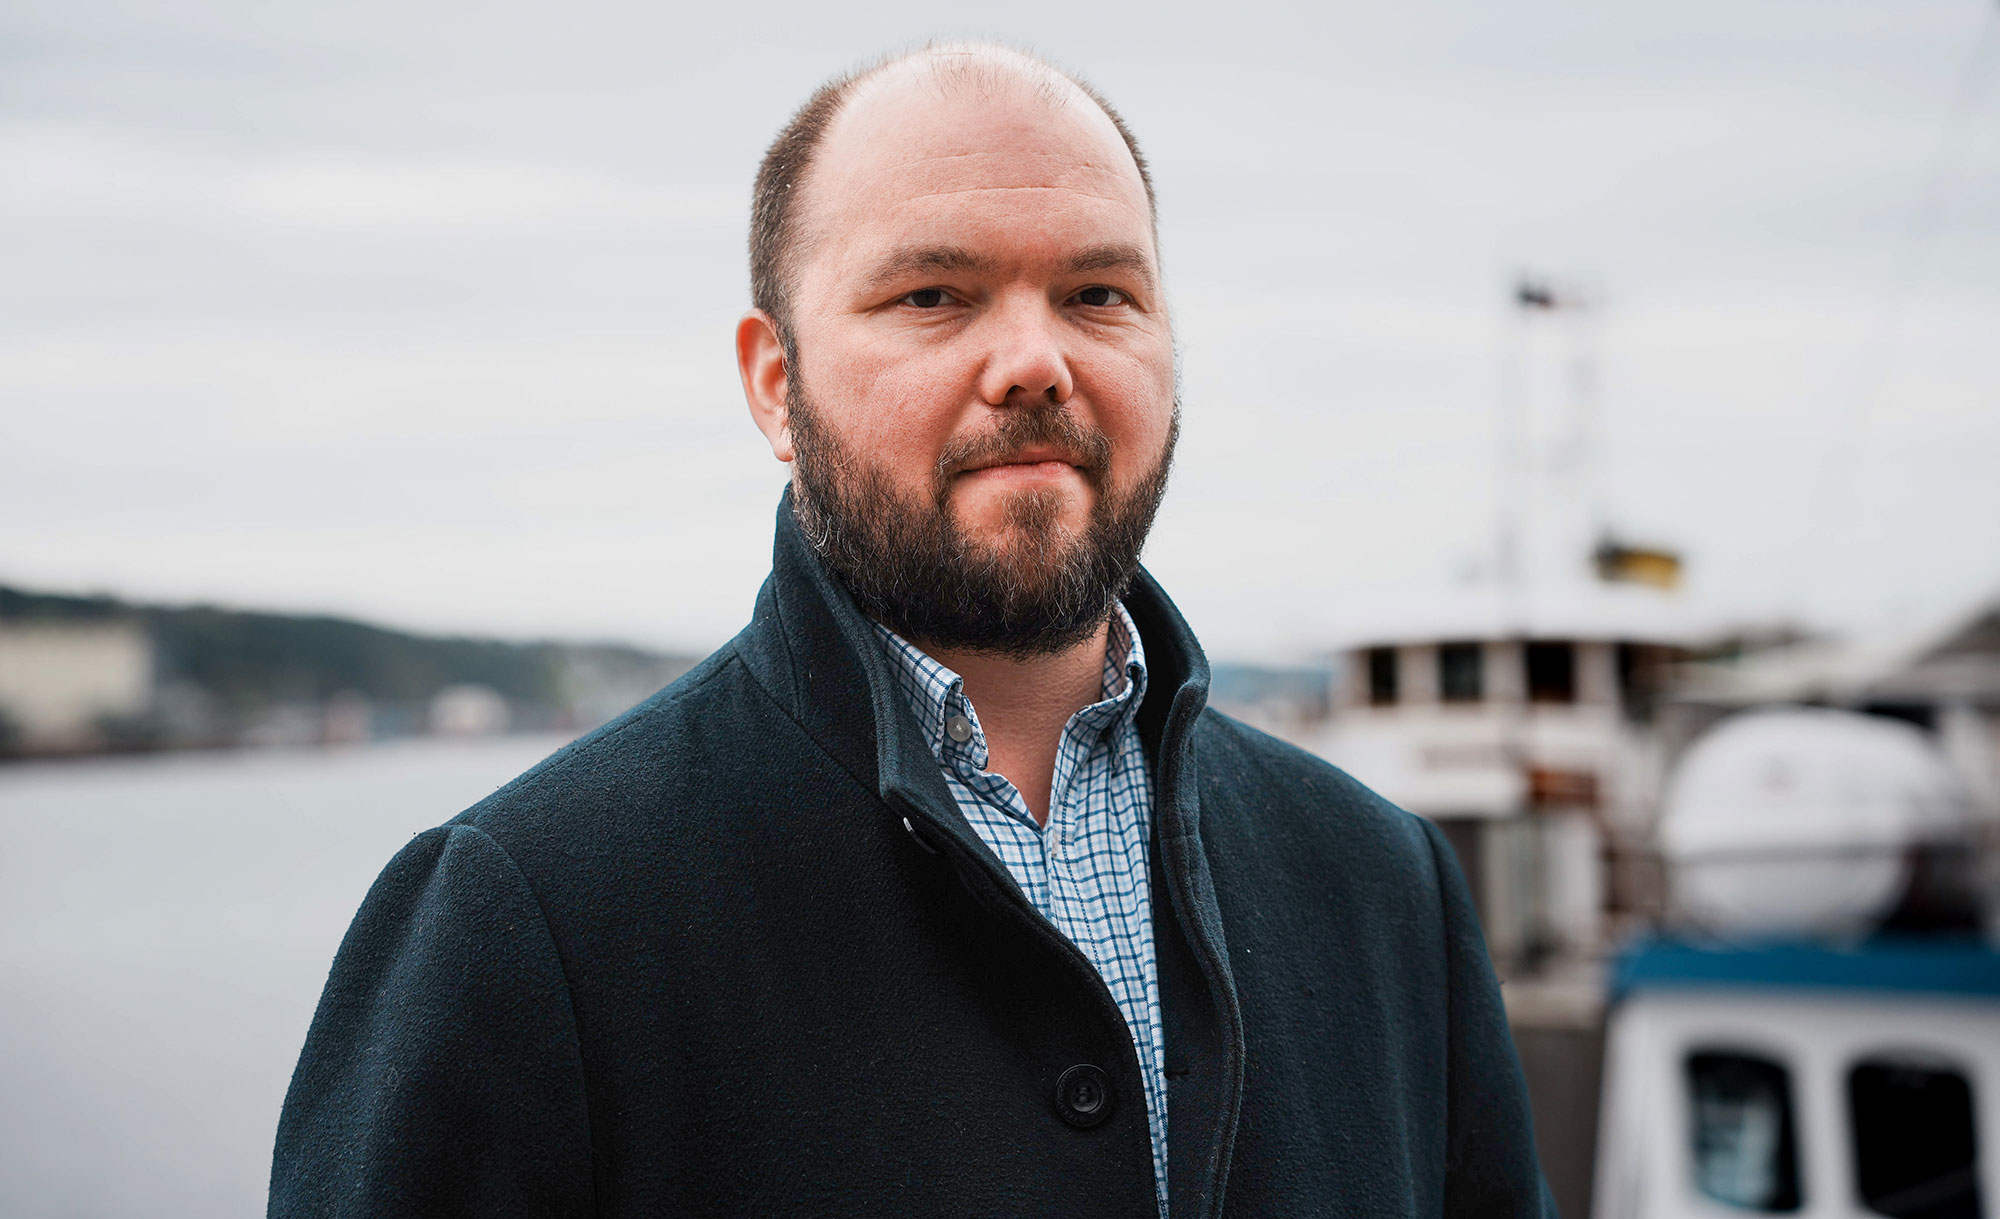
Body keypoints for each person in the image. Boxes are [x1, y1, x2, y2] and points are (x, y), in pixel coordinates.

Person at [269, 43, 1556, 1218]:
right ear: (776, 385)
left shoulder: (1382, 885)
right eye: (934, 294)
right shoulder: (520, 916)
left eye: (1097, 292)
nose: (1034, 360)